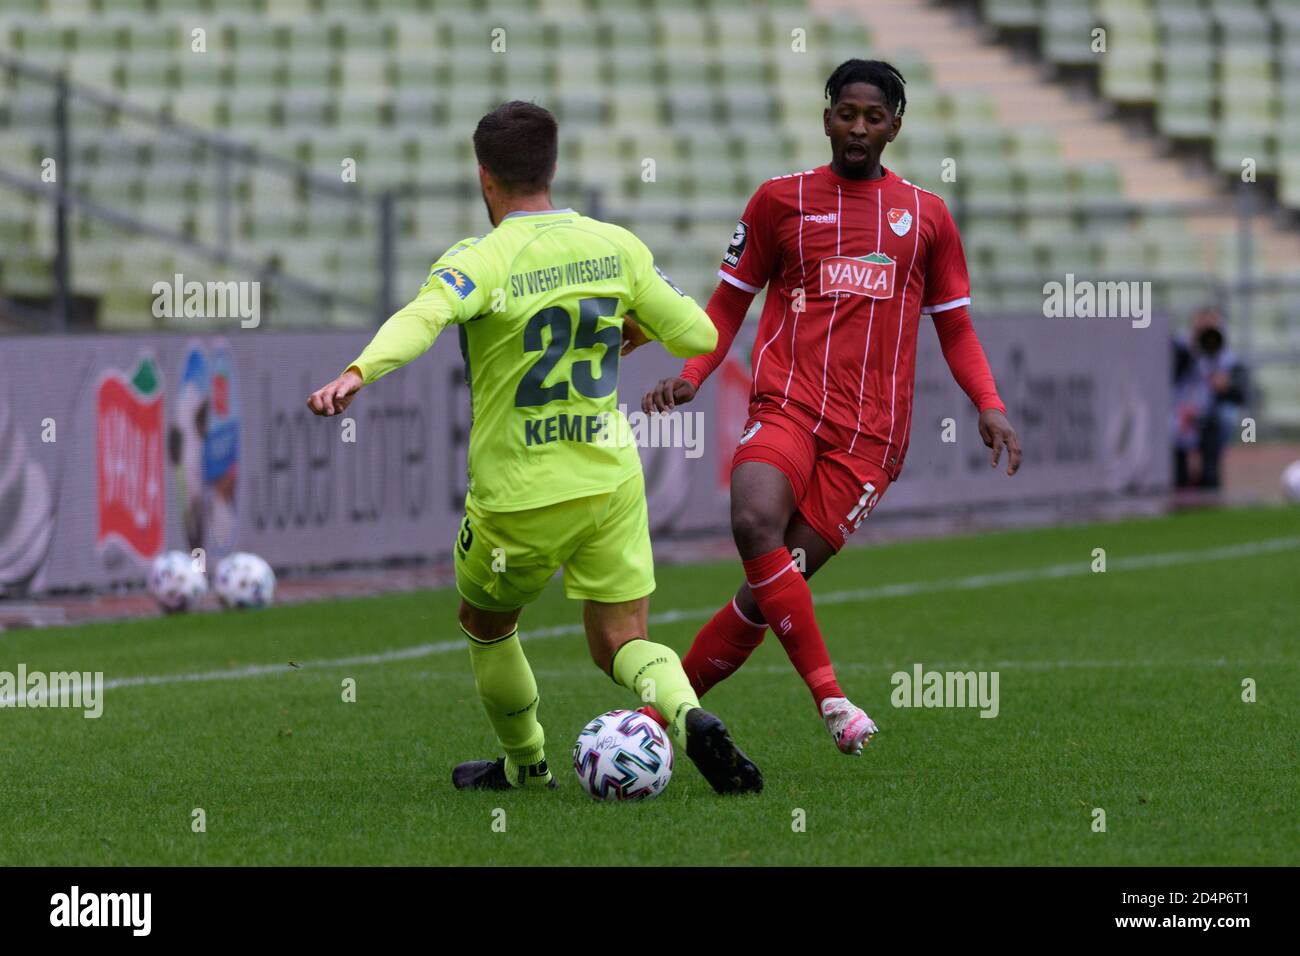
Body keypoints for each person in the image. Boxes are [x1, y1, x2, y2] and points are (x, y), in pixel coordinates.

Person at [307, 101, 762, 795]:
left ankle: (525, 766)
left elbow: (423, 318)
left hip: (520, 494)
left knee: (485, 625)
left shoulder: (480, 258)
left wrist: (357, 372)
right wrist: (630, 332)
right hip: (610, 479)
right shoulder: (615, 246)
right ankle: (688, 712)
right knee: (619, 641)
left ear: (484, 177)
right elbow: (699, 335)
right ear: (552, 166)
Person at [636, 60, 1022, 755]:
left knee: (769, 591)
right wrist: (693, 373)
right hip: (788, 404)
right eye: (847, 113)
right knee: (754, 519)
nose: (858, 128)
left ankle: (655, 722)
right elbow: (727, 305)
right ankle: (833, 701)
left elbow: (956, 325)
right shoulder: (778, 202)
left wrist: (987, 404)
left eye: (874, 117)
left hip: (871, 440)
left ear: (895, 128)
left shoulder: (926, 217)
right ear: (826, 117)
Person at [1173, 308, 1249, 489]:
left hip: (1211, 421)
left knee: (1218, 425)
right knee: (1177, 474)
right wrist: (1191, 349)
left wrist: (1226, 387)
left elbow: (1241, 395)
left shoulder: (1229, 361)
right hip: (1178, 418)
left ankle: (1209, 483)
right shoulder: (1182, 351)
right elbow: (1167, 377)